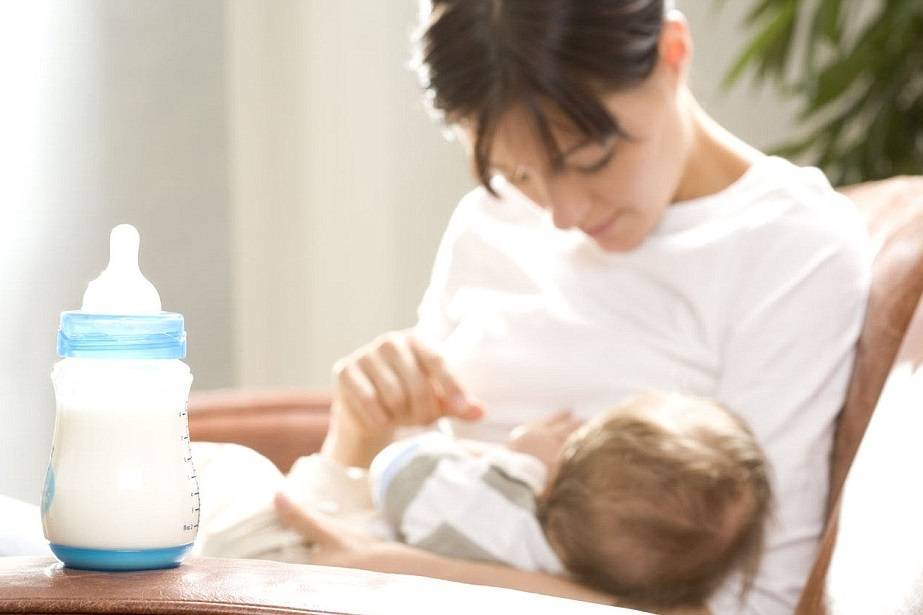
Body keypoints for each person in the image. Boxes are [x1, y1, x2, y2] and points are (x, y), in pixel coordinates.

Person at [274, 0, 871, 613]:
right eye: (518, 174)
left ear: (672, 52)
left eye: (590, 161)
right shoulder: (490, 218)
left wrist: (414, 578)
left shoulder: (792, 247)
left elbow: (757, 604)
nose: (563, 215)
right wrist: (362, 425)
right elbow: (380, 503)